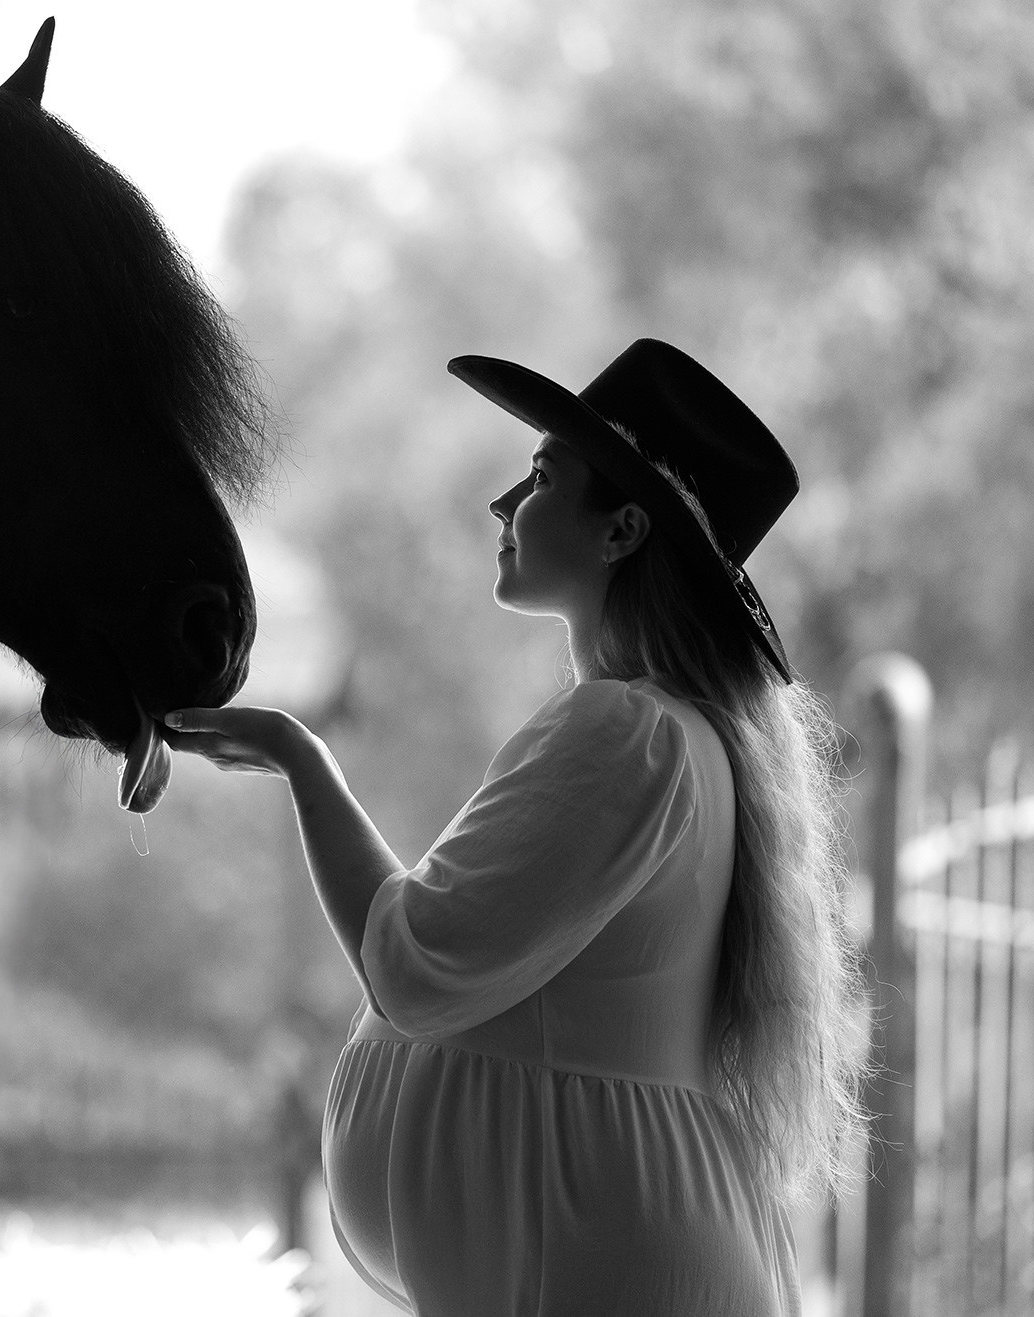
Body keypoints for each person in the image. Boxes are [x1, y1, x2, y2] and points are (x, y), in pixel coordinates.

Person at [164, 339, 877, 1314]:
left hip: (594, 1267)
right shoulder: (668, 731)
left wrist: (301, 763)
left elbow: (416, 964)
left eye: (541, 478)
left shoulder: (625, 729)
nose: (504, 505)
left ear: (621, 529)